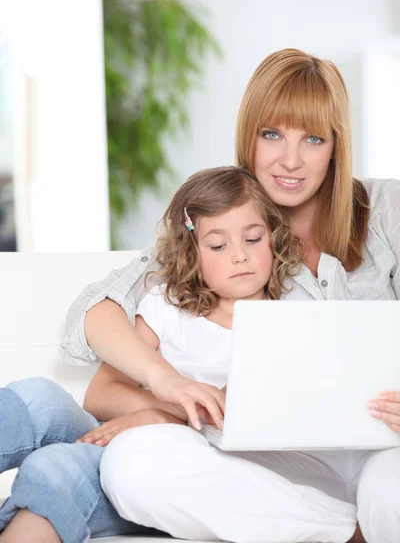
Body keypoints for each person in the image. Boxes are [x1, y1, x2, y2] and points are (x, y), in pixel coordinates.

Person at [75, 49, 400, 543]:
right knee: (132, 464)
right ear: (248, 136)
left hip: (389, 449)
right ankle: (349, 533)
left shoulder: (387, 211)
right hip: (278, 466)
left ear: (336, 145)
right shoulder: (222, 223)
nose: (290, 161)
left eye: (313, 139)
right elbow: (98, 313)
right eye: (272, 134)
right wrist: (164, 393)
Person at [0, 165, 296, 543]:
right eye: (219, 246)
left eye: (253, 239)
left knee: (57, 467)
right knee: (38, 399)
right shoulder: (168, 307)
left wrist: (158, 421)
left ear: (273, 238)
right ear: (192, 252)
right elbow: (101, 394)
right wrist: (159, 411)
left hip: (171, 475)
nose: (240, 256)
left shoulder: (288, 322)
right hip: (127, 434)